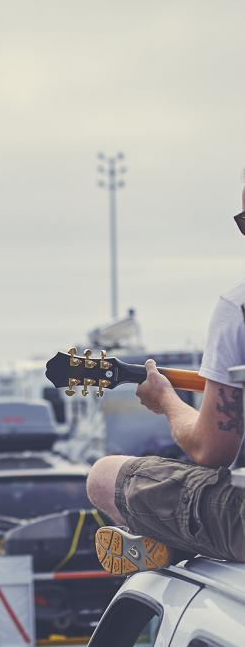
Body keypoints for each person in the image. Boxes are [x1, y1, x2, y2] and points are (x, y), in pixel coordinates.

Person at [88, 186, 245, 574]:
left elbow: (212, 449)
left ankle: (168, 547)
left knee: (103, 477)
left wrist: (167, 402)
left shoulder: (238, 308)